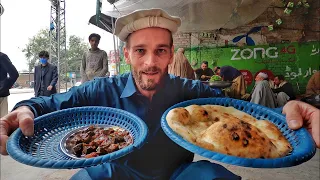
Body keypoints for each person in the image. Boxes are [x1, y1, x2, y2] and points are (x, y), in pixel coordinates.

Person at [0, 8, 319, 180]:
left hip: (179, 174)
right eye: (141, 51)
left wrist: (290, 113)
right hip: (118, 173)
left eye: (160, 51)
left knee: (214, 176)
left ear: (170, 55)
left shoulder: (190, 93)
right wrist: (26, 108)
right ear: (127, 55)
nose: (150, 62)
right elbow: (54, 103)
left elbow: (245, 112)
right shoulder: (103, 90)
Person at [0, 52, 19, 117]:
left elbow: (14, 74)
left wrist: (4, 87)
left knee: (2, 121)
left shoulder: (2, 56)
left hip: (1, 95)